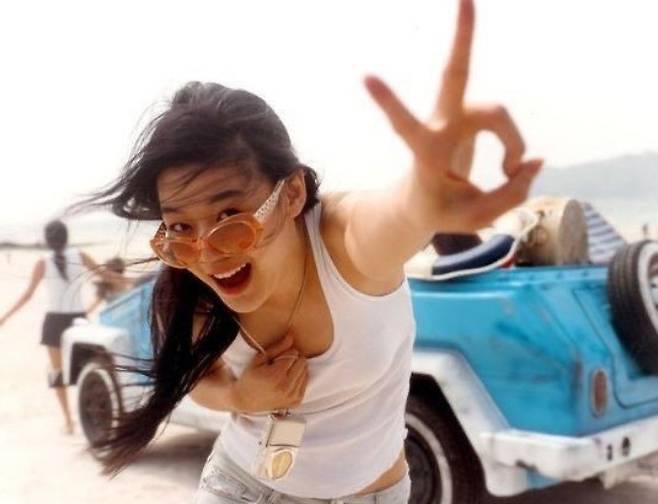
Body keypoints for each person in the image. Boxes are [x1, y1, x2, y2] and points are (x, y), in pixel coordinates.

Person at [82, 1, 542, 502]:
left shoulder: (342, 244)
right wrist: (241, 394)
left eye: (230, 215)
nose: (208, 254)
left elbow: (398, 215)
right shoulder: (189, 289)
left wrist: (427, 194)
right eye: (180, 227)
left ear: (293, 194)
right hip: (242, 484)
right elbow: (198, 380)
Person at [0, 220, 110, 434]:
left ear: (47, 240)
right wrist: (132, 281)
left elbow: (28, 295)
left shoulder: (42, 262)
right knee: (87, 369)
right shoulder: (80, 255)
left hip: (54, 323)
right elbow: (105, 276)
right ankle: (93, 416)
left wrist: (5, 316)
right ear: (66, 237)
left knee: (58, 373)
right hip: (78, 320)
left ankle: (68, 420)